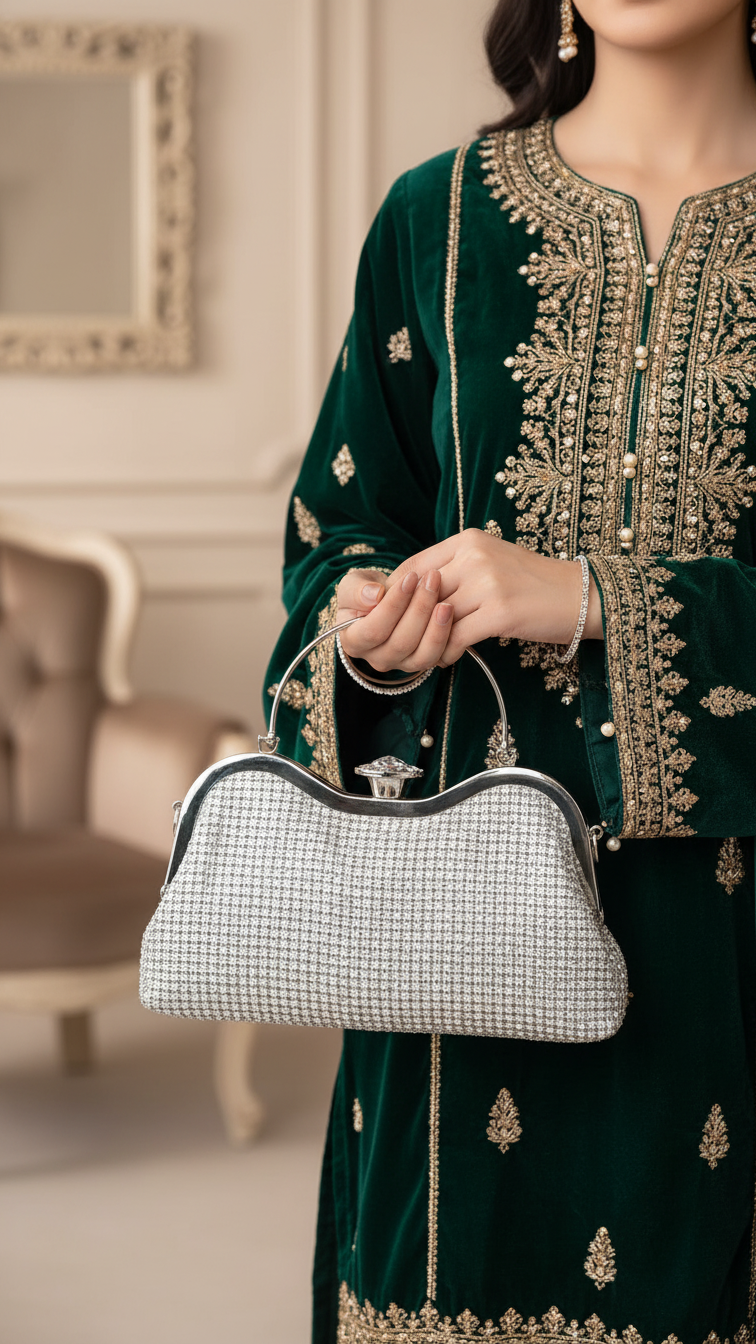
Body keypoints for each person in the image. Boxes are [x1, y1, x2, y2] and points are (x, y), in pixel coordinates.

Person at [264, 1, 756, 1338]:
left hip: (730, 953)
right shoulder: (435, 221)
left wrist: (596, 598)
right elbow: (335, 529)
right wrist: (365, 628)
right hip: (463, 951)